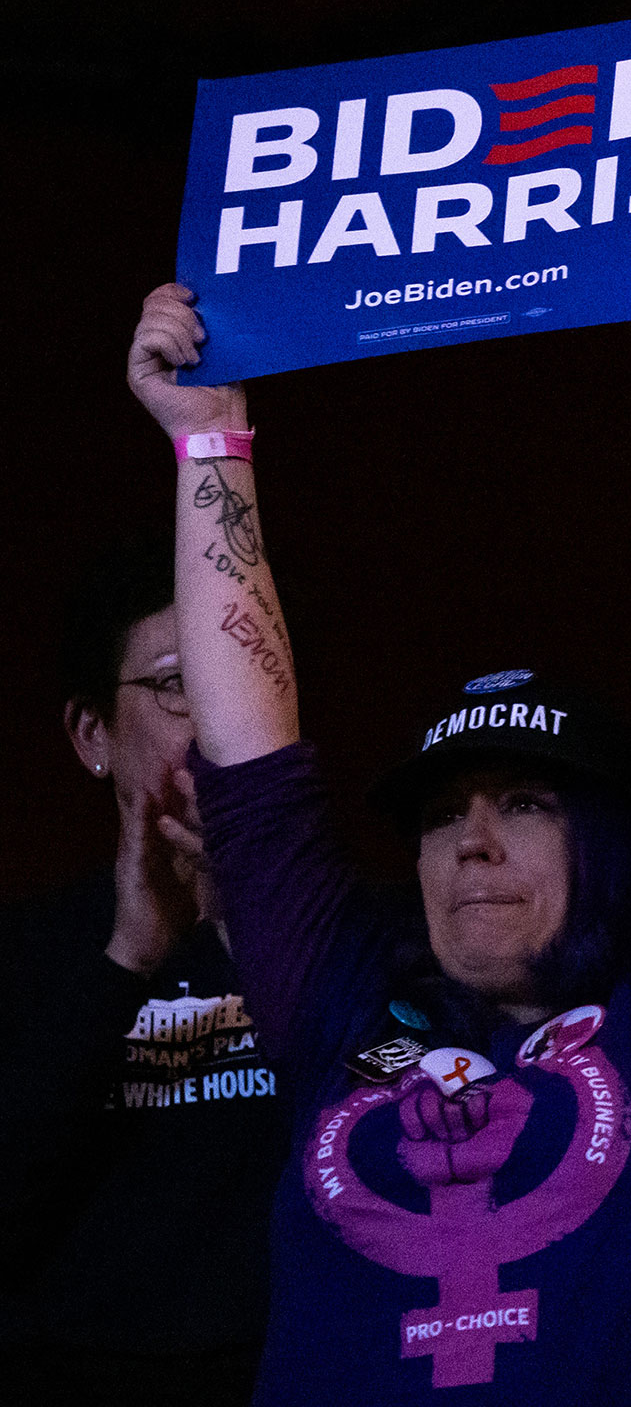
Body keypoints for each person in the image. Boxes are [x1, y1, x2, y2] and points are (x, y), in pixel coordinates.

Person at [125, 175, 631, 1404]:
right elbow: (254, 777)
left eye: (527, 802)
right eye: (443, 814)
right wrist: (207, 441)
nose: (472, 842)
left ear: (608, 838)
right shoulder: (345, 1011)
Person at [0, 534, 283, 1405]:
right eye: (174, 685)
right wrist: (128, 961)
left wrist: (253, 926)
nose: (215, 718)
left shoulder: (368, 933)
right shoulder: (31, 954)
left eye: (238, 679)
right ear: (93, 734)